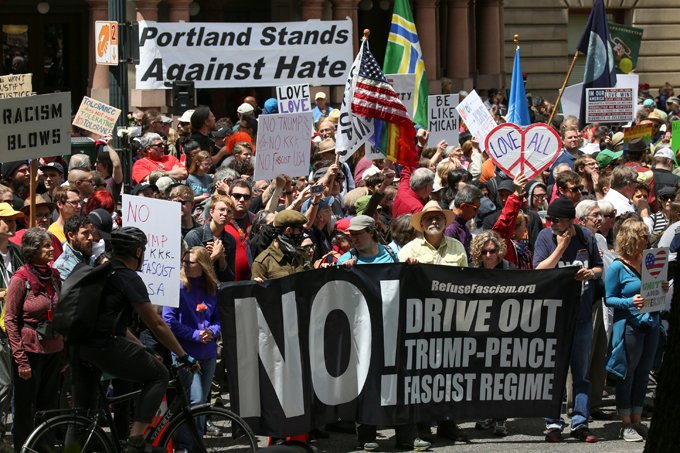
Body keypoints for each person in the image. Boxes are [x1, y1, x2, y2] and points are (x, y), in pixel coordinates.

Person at [69, 227, 198, 453]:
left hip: (79, 346)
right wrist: (183, 354)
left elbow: (115, 324)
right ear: (138, 251)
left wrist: (142, 348)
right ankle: (136, 441)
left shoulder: (102, 272)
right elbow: (156, 324)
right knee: (160, 374)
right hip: (103, 346)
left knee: (83, 415)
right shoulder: (128, 277)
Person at [340, 214, 430, 452]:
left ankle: (406, 436)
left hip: (393, 329)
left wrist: (410, 268)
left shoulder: (391, 255)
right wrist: (342, 271)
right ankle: (367, 434)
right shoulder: (348, 259)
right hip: (362, 332)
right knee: (367, 381)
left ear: (371, 232)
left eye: (358, 234)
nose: (354, 239)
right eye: (351, 235)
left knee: (400, 381)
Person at [533, 197, 602, 443]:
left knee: (581, 373)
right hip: (554, 319)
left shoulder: (585, 236)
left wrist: (590, 274)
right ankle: (553, 424)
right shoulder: (545, 237)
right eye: (550, 219)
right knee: (554, 373)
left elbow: (598, 267)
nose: (553, 223)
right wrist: (560, 248)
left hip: (582, 316)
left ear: (571, 220)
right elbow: (539, 271)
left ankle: (580, 423)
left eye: (558, 220)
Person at [605, 218, 664, 442]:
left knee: (643, 373)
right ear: (631, 238)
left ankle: (637, 420)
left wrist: (661, 288)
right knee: (627, 375)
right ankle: (625, 422)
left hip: (652, 322)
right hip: (630, 324)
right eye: (643, 235)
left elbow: (654, 289)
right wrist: (630, 302)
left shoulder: (649, 261)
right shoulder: (617, 266)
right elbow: (609, 298)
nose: (647, 239)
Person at [4, 228, 63, 451]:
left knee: (48, 408)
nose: (51, 250)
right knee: (26, 409)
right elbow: (10, 320)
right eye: (46, 246)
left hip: (54, 350)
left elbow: (62, 312)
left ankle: (44, 448)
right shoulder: (20, 279)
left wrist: (64, 350)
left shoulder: (54, 277)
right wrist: (20, 360)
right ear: (33, 250)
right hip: (29, 352)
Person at [162, 246, 220, 449]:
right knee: (195, 402)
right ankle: (185, 446)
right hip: (184, 353)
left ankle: (197, 445)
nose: (185, 266)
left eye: (190, 262)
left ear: (203, 266)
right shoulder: (176, 287)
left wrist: (212, 332)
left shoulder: (211, 288)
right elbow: (168, 321)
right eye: (184, 262)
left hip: (208, 352)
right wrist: (195, 335)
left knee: (202, 404)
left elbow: (218, 320)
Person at [0, 202, 25, 440]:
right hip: (0, 330)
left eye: (14, 219)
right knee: (5, 385)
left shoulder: (17, 252)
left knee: (15, 386)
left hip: (16, 327)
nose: (12, 223)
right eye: (6, 219)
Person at [184, 194, 237, 282]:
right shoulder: (194, 236)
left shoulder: (230, 240)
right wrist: (213, 256)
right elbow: (190, 272)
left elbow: (230, 278)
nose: (225, 214)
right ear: (211, 212)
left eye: (229, 211)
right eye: (221, 209)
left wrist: (222, 259)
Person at [53, 215, 94, 280]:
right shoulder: (63, 267)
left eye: (91, 232)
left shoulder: (90, 258)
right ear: (71, 235)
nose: (91, 237)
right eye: (85, 233)